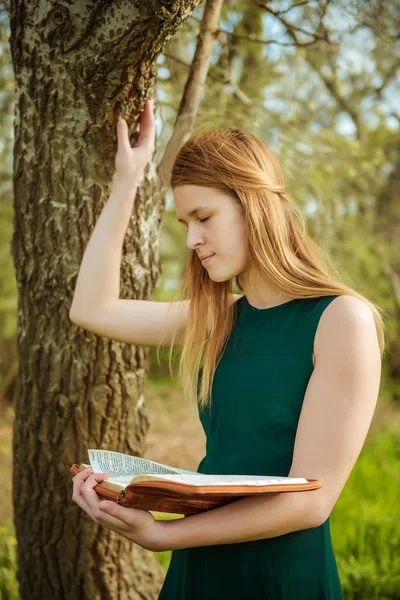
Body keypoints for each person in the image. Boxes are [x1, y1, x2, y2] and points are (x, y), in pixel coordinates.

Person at [71, 99, 385, 599]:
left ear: (254, 205)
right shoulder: (216, 319)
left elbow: (312, 501)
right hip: (199, 572)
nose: (193, 238)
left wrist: (162, 535)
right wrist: (129, 179)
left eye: (204, 216)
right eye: (185, 224)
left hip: (281, 573)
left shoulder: (340, 319)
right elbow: (92, 308)